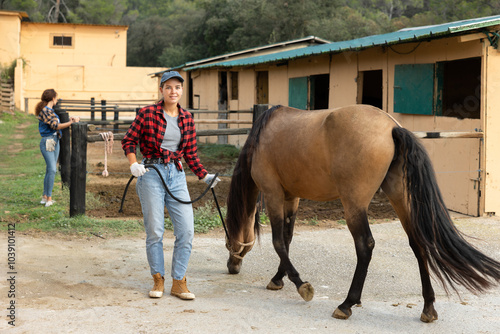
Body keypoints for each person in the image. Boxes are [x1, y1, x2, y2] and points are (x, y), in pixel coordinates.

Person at [122, 71, 220, 300]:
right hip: (151, 173)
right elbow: (129, 140)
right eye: (168, 87)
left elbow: (191, 154)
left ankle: (179, 282)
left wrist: (205, 176)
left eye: (177, 87)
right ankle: (158, 280)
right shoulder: (147, 113)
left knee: (186, 230)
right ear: (161, 90)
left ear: (181, 91)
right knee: (155, 230)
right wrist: (134, 163)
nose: (173, 91)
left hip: (176, 175)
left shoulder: (187, 118)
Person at [36, 89, 80, 207]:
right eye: (56, 97)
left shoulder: (50, 111)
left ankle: (45, 196)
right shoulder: (46, 111)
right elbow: (56, 126)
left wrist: (69, 120)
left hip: (54, 140)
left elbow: (56, 124)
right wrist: (71, 123)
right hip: (48, 141)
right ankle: (49, 198)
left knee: (50, 169)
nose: (57, 99)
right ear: (53, 98)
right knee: (52, 169)